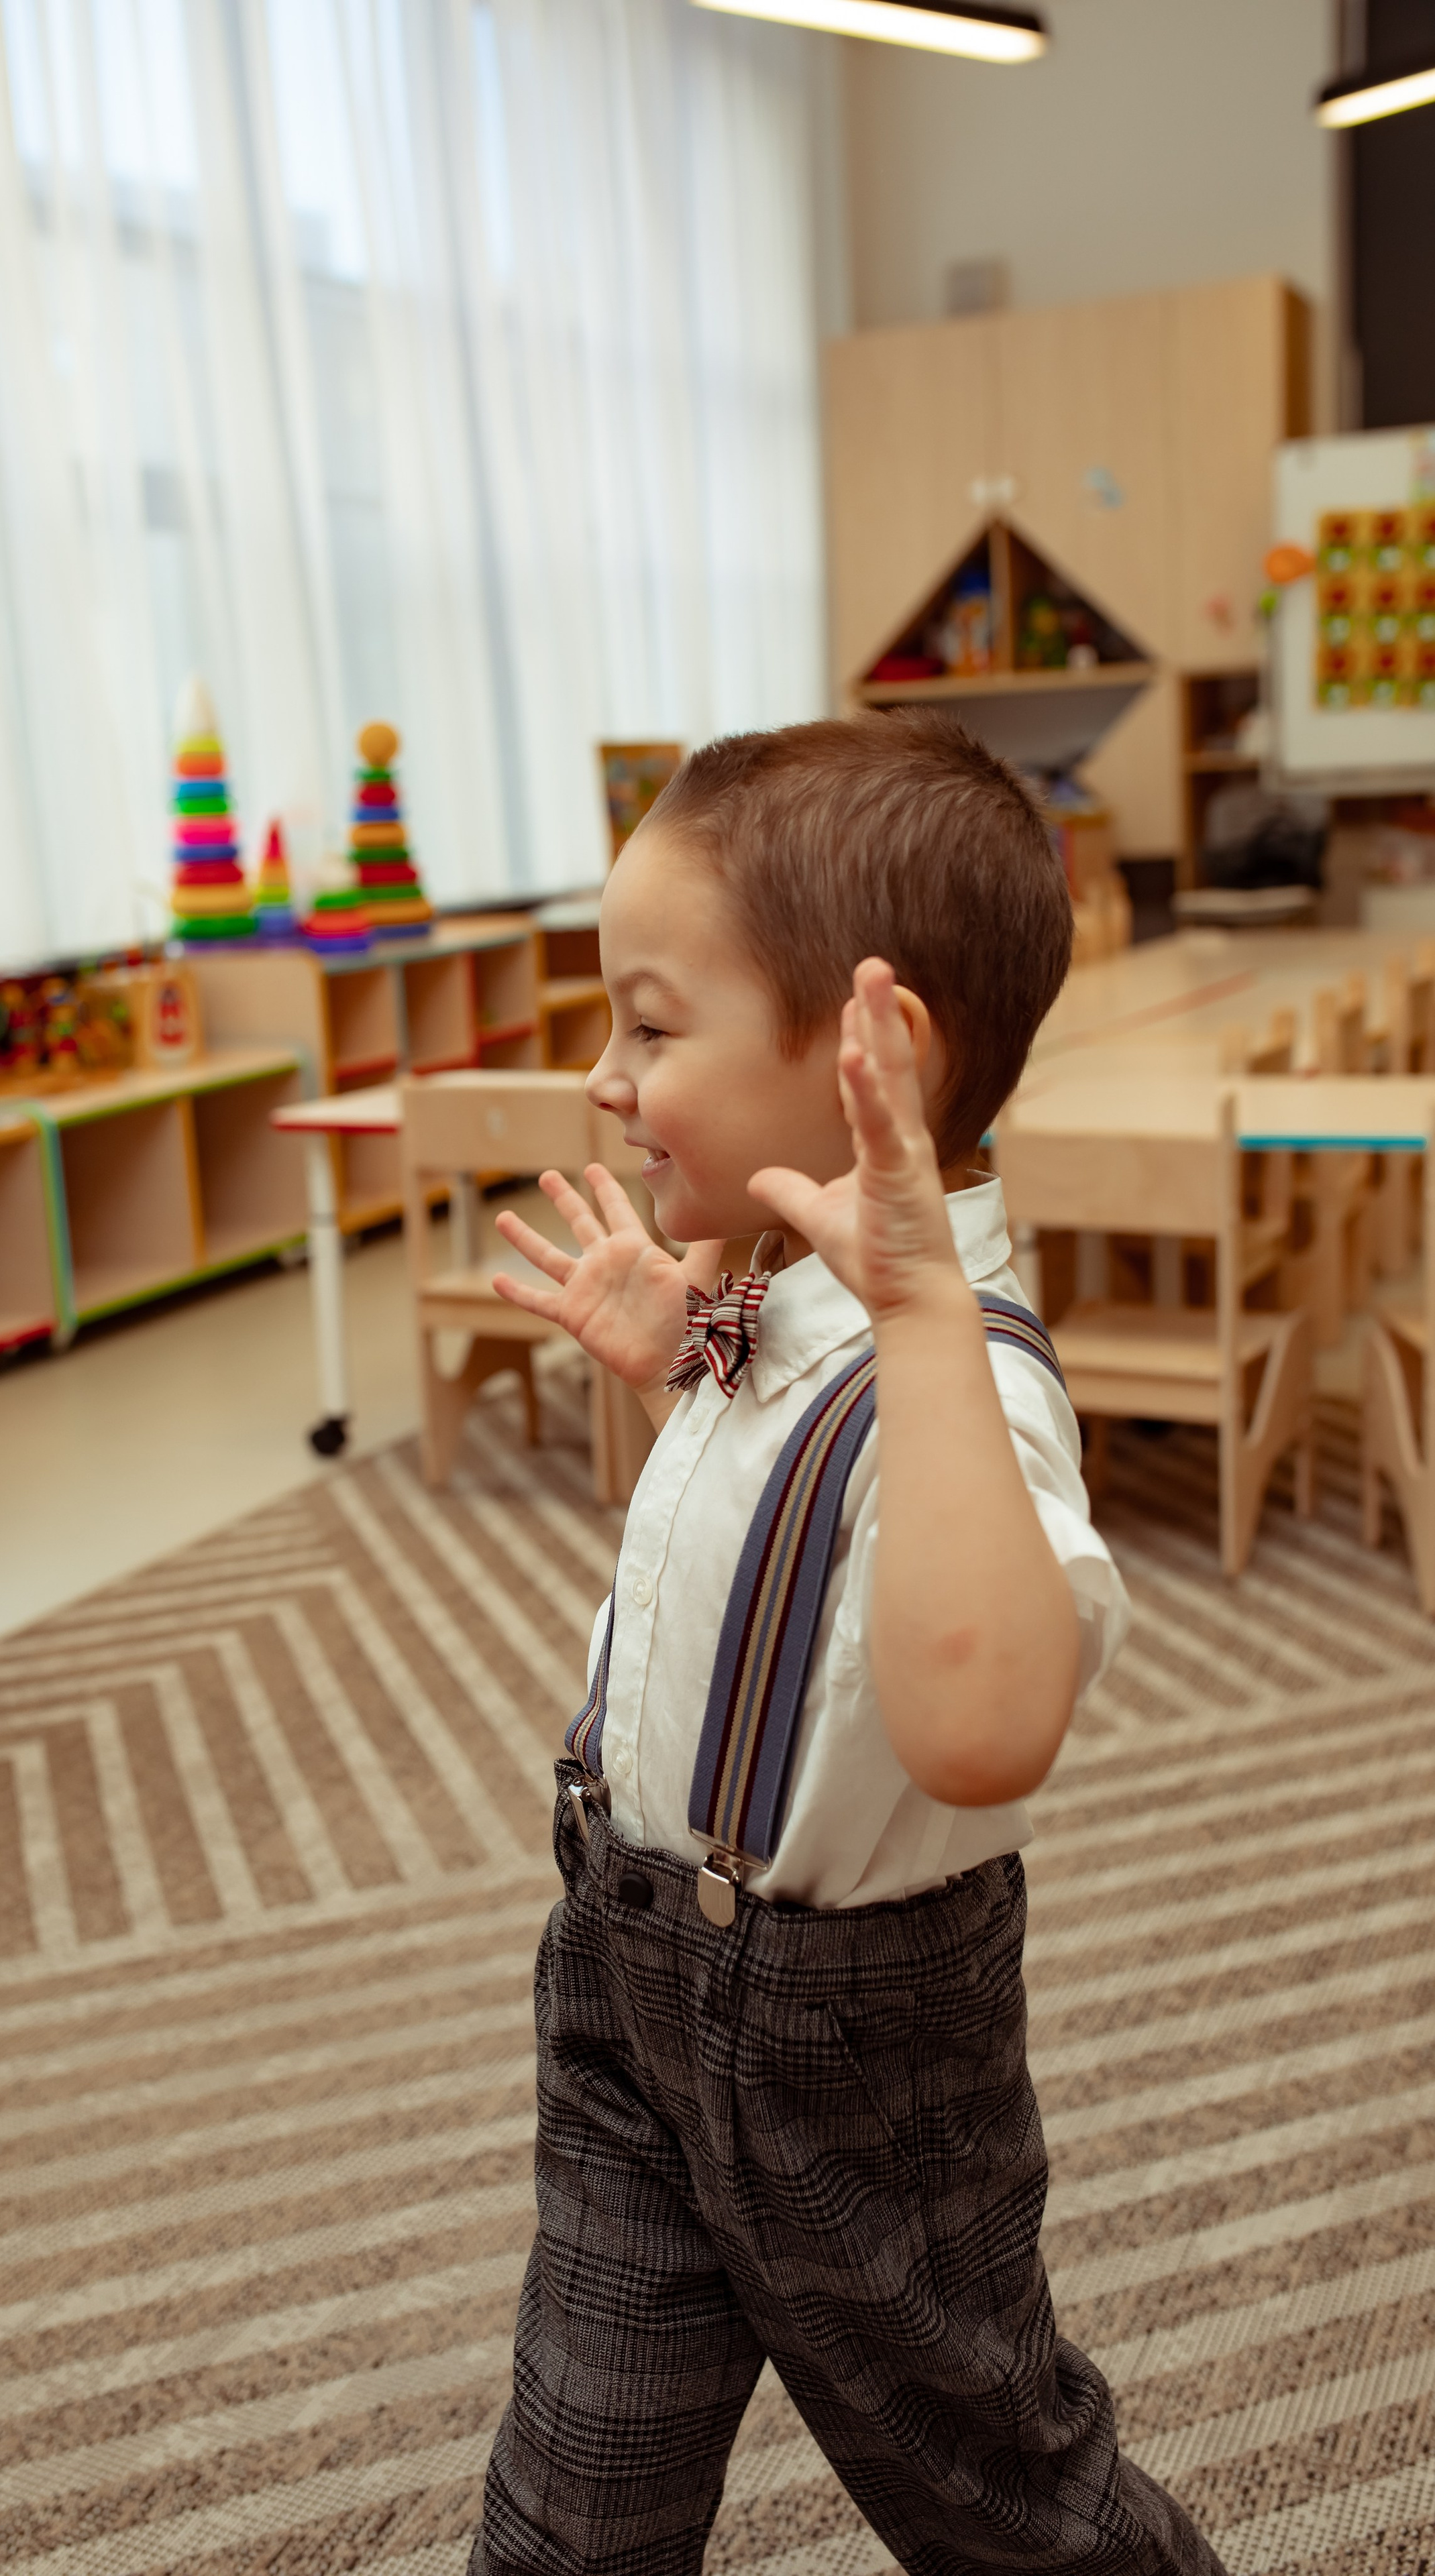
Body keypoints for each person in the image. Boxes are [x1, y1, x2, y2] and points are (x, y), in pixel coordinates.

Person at [471, 713, 1223, 2576]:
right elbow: (780, 1548)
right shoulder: (785, 1305)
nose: (602, 1074)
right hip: (628, 1972)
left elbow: (978, 1723)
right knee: (576, 2506)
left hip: (843, 2045)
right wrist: (689, 1360)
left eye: (652, 1025)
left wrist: (913, 1319)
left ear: (875, 1055)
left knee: (1005, 2495)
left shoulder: (964, 1371)